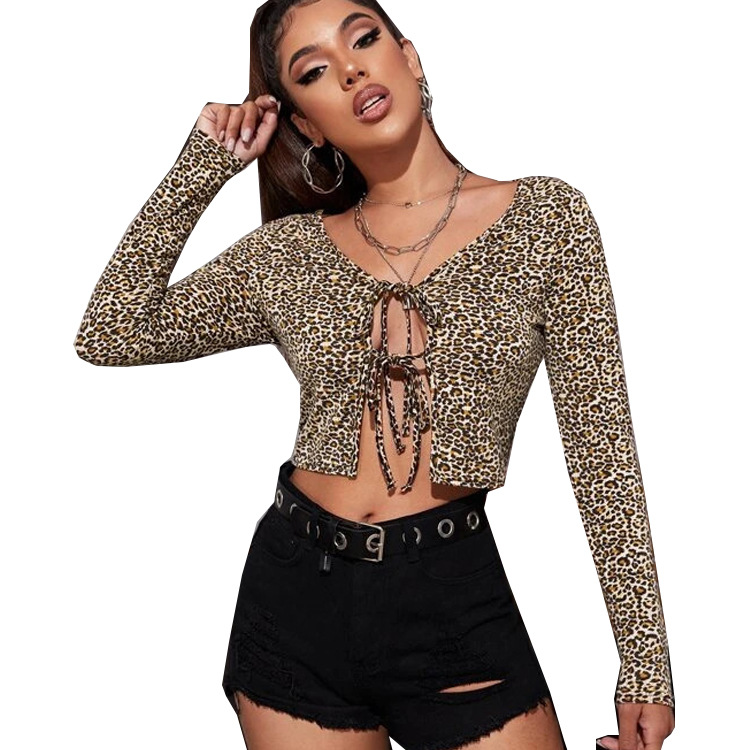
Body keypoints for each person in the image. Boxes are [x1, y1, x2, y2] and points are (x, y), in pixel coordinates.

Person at [73, 0, 676, 748]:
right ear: (308, 126)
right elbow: (112, 331)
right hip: (293, 597)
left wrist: (645, 664)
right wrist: (200, 171)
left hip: (452, 597)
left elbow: (601, 446)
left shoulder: (544, 220)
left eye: (363, 38)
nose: (352, 69)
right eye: (314, 71)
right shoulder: (287, 255)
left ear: (410, 56)